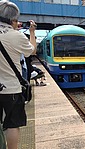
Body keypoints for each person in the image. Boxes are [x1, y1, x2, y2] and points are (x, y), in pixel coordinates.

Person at [0, 1, 37, 149]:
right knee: (12, 124)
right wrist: (32, 32)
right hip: (11, 90)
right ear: (13, 19)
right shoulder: (16, 36)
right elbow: (32, 50)